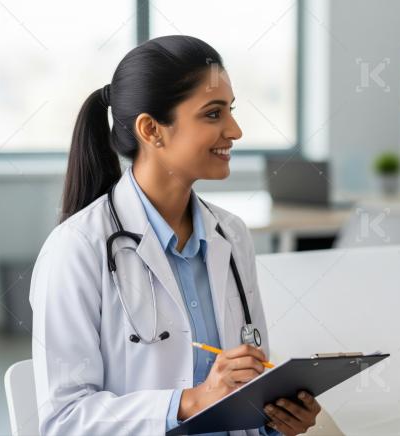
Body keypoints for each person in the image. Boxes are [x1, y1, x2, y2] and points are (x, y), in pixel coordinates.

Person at [30, 35, 320, 435]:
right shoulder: (77, 249)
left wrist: (277, 418)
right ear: (152, 130)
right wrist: (190, 401)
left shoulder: (232, 235)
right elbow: (64, 422)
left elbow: (249, 383)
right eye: (213, 114)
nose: (234, 130)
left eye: (230, 111)